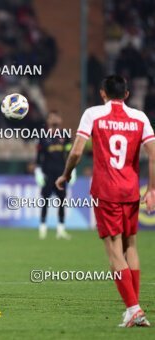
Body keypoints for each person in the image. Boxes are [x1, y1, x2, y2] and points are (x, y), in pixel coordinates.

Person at [56, 75, 155, 327]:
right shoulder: (140, 117)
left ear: (103, 93)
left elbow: (77, 150)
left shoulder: (93, 114)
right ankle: (133, 308)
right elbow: (153, 155)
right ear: (127, 94)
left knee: (113, 250)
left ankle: (133, 308)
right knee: (130, 246)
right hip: (131, 191)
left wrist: (66, 174)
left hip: (106, 192)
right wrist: (152, 189)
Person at [34, 111, 74, 240]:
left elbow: (69, 153)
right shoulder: (42, 136)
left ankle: (61, 229)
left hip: (61, 173)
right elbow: (39, 156)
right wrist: (38, 171)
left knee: (62, 201)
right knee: (44, 201)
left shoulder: (65, 135)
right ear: (48, 121)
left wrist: (72, 169)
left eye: (57, 116)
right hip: (47, 173)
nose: (55, 119)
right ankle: (42, 228)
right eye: (52, 117)